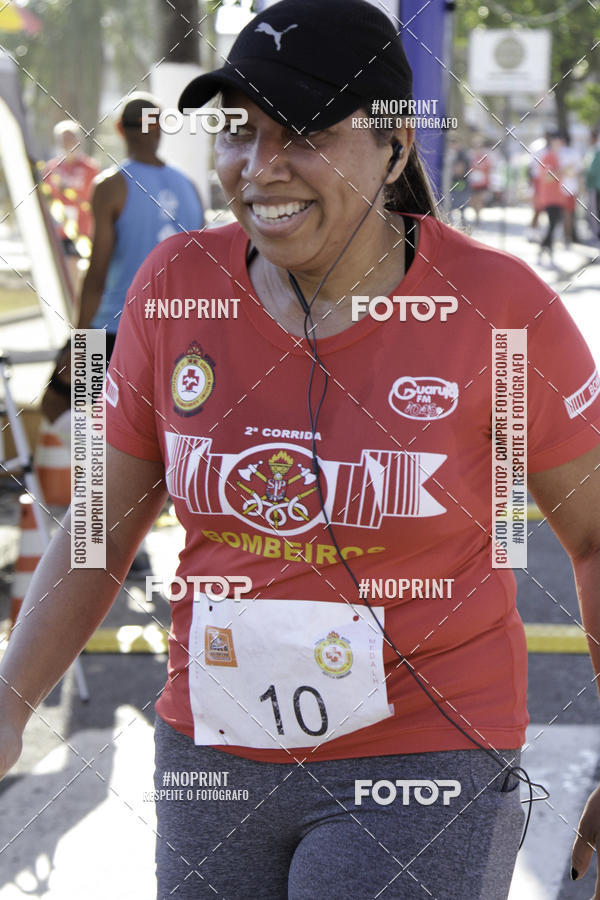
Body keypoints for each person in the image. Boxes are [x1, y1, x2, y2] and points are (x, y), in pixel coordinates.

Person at [2, 2, 600, 898]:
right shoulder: (176, 284)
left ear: (396, 147)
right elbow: (99, 522)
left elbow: (592, 535)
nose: (260, 167)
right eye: (241, 131)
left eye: (305, 133)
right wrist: (11, 701)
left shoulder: (501, 311)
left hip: (425, 751)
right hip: (213, 749)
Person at [41, 120, 100, 293]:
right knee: (66, 272)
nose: (66, 143)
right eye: (62, 139)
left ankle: (81, 309)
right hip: (61, 230)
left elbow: (97, 199)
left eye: (70, 138)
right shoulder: (51, 169)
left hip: (84, 230)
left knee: (82, 272)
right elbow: (46, 198)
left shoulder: (90, 168)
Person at [537, 131, 568, 265]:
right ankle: (545, 247)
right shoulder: (548, 157)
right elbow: (547, 177)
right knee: (552, 224)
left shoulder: (557, 157)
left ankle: (546, 248)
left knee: (554, 224)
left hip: (557, 197)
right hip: (550, 197)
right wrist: (563, 171)